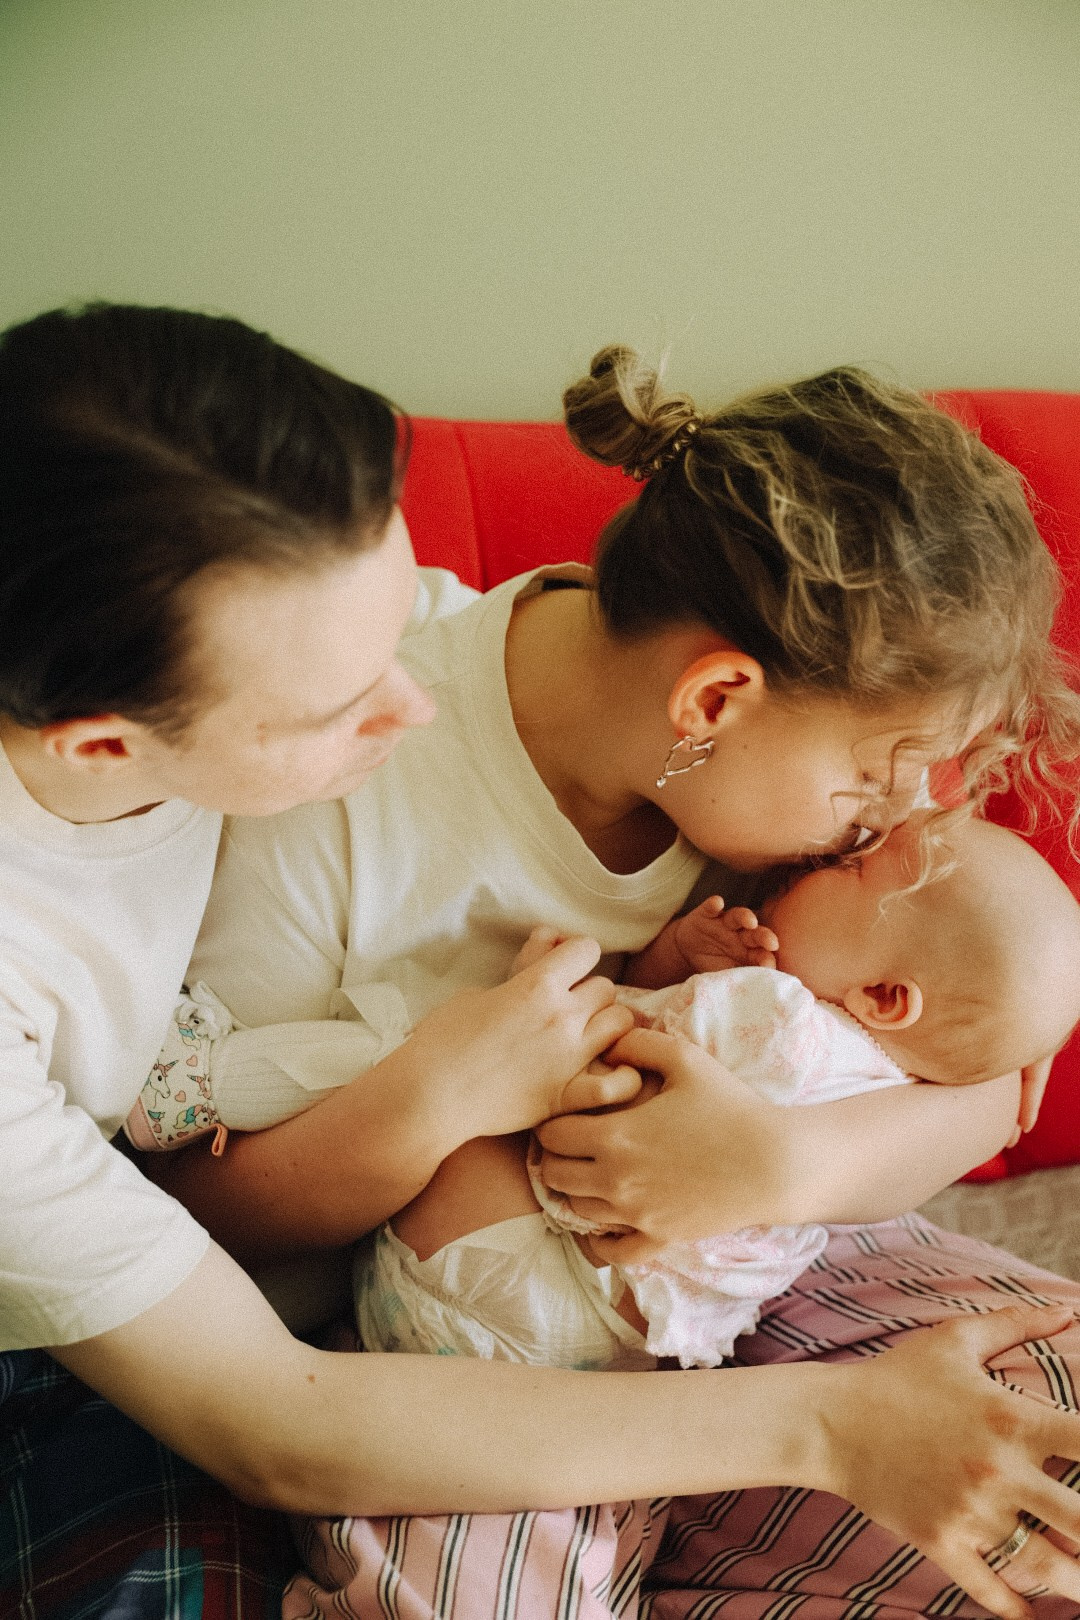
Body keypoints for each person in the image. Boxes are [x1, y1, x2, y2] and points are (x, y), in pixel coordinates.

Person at [134, 348, 1080, 1617]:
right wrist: (435, 1100)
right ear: (716, 696)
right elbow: (198, 1211)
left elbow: (991, 1081)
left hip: (734, 1290)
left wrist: (773, 1170)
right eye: (877, 777)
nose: (905, 820)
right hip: (436, 1362)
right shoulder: (339, 779)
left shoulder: (782, 822)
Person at [346, 815, 1080, 1381]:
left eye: (855, 868)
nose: (831, 856)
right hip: (619, 1342)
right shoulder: (889, 1091)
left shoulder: (784, 1023)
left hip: (514, 1264)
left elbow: (600, 1042)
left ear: (885, 996)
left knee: (457, 1090)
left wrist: (583, 977)